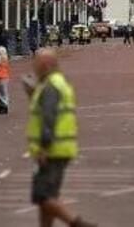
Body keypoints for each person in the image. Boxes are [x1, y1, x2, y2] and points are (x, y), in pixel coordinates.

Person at [23, 49, 95, 227]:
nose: (34, 66)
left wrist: (43, 147)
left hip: (52, 149)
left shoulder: (50, 87)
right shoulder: (55, 83)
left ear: (46, 65)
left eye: (37, 63)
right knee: (48, 197)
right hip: (61, 148)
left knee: (42, 196)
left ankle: (77, 223)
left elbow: (48, 117)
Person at [0, 46, 11, 113]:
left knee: (2, 93)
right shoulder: (2, 57)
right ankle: (1, 106)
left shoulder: (1, 58)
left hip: (2, 77)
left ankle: (4, 106)